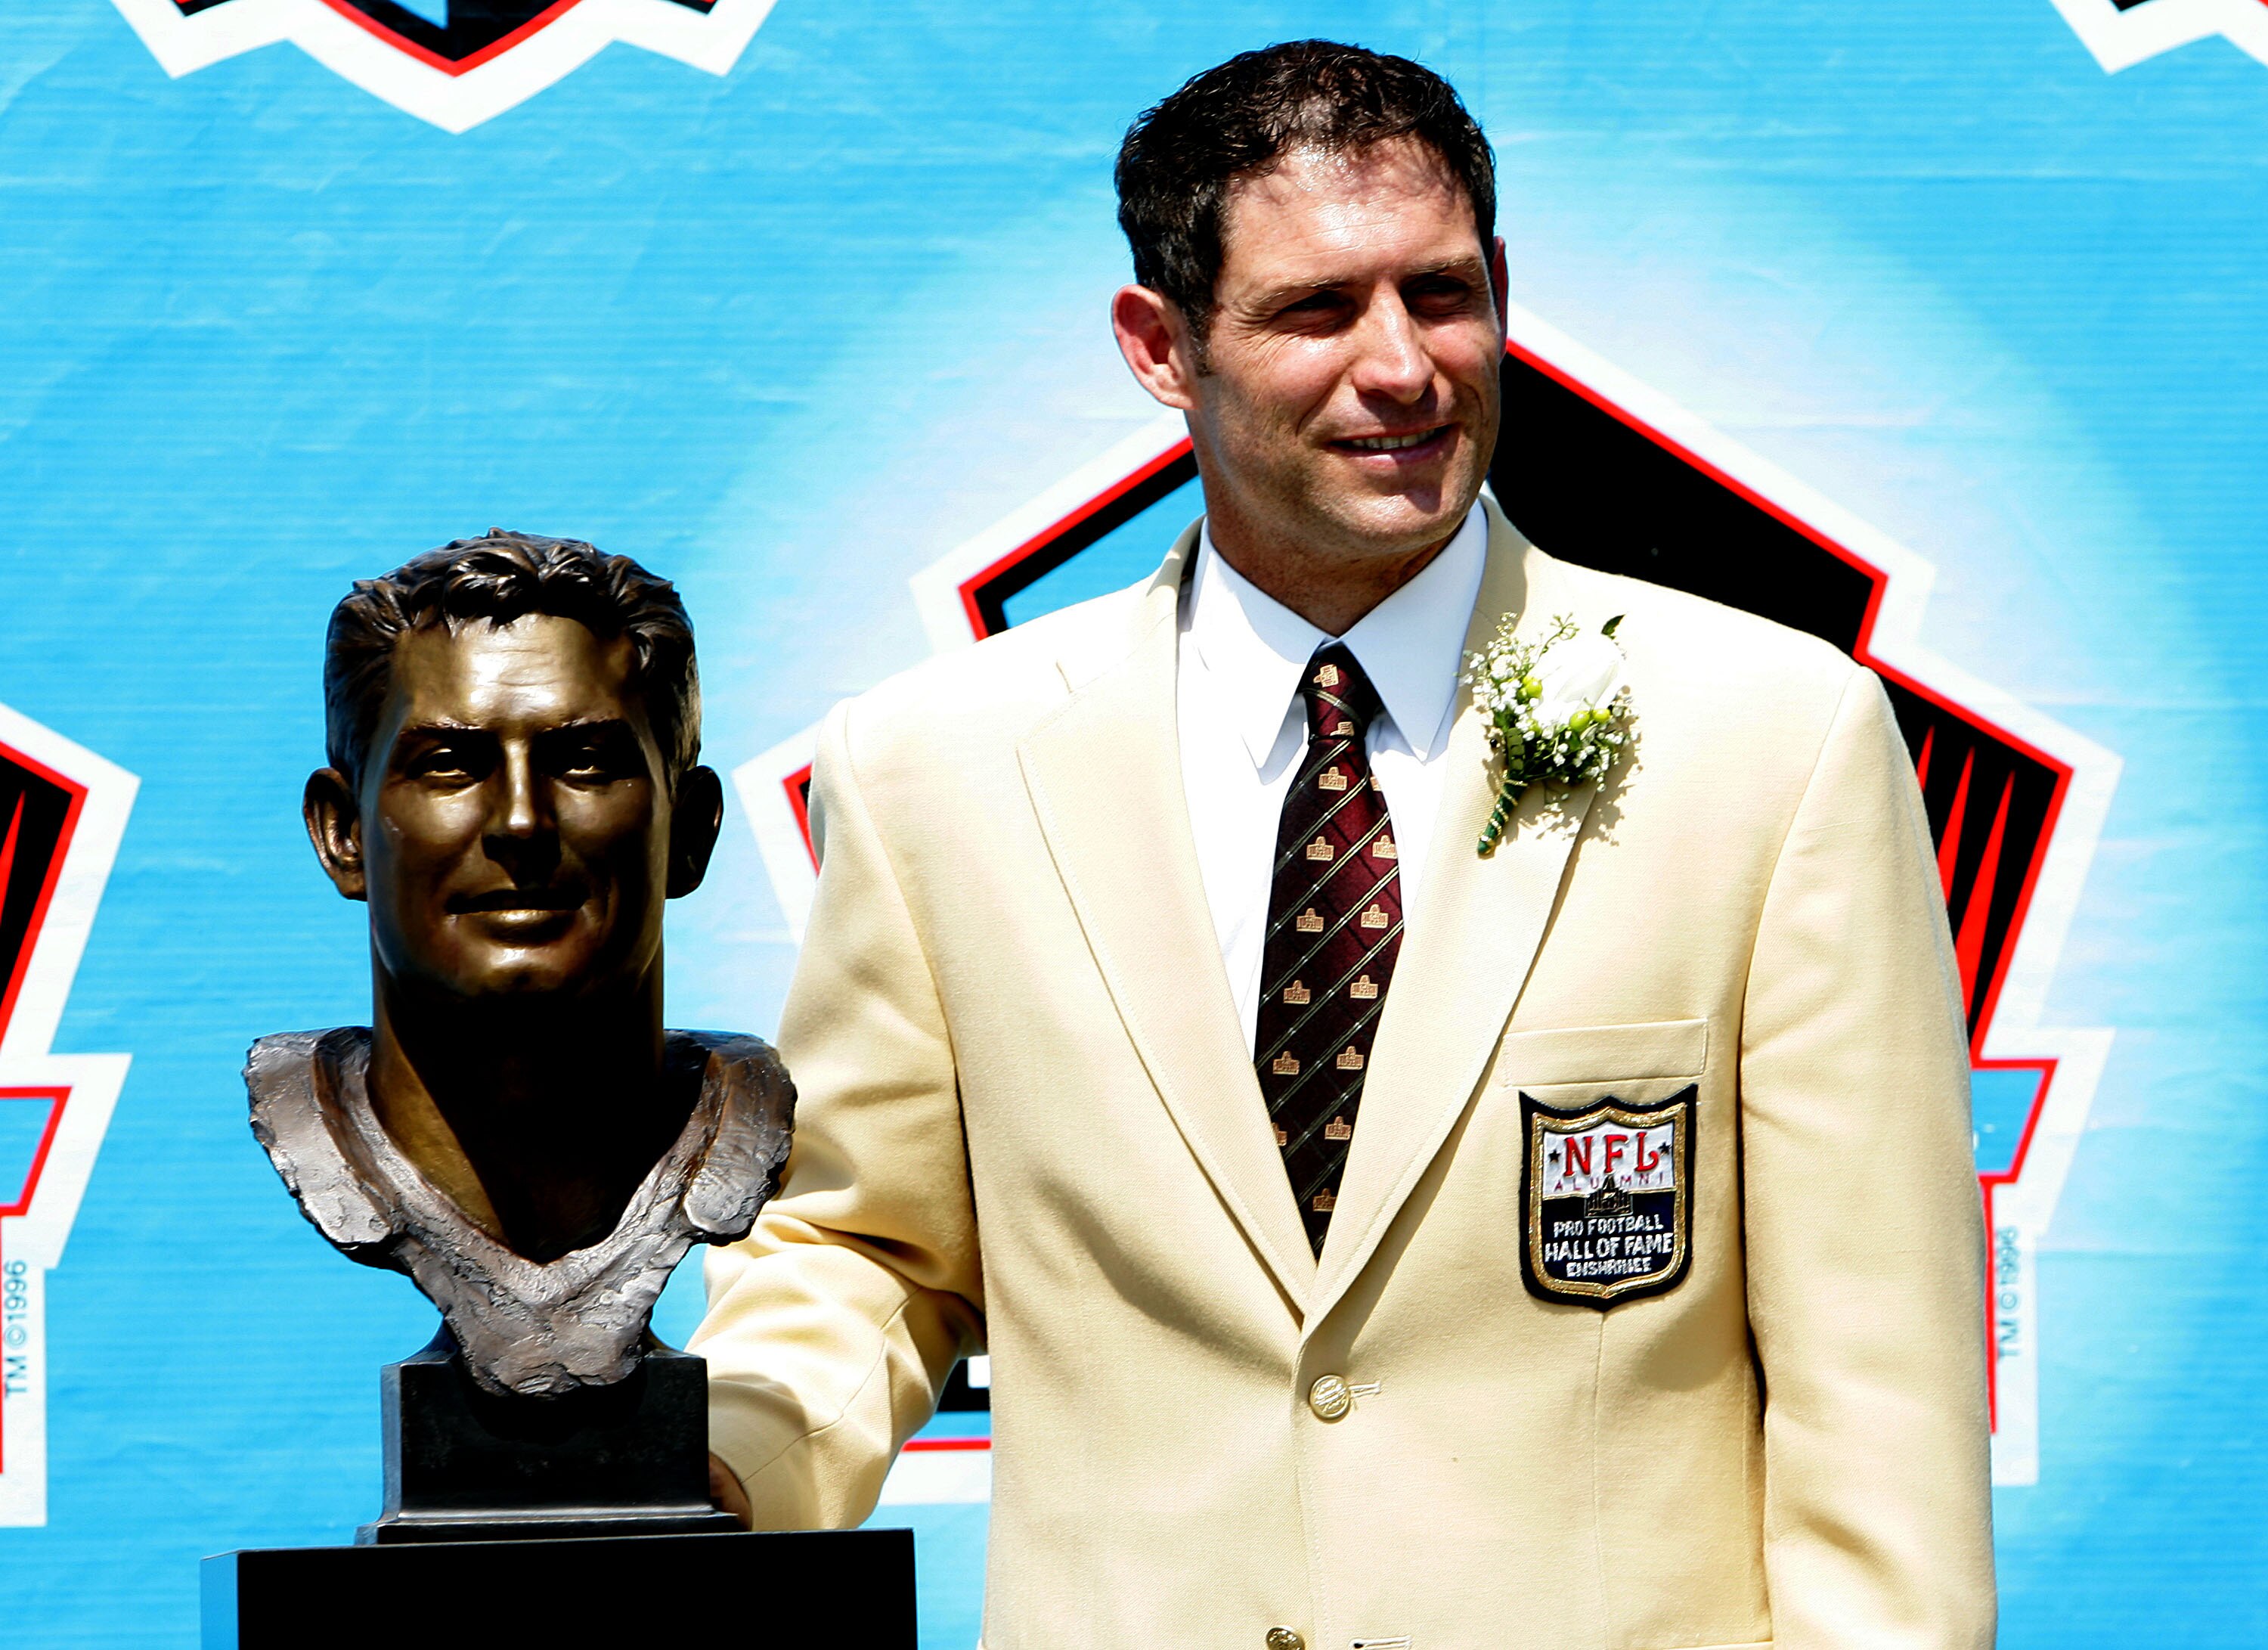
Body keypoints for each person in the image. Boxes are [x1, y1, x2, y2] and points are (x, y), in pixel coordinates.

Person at [696, 41, 1993, 1650]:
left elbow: (1882, 1372)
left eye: (1441, 295)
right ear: (1161, 347)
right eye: (1318, 310)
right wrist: (709, 1490)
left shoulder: (1775, 739)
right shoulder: (934, 768)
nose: (1403, 367)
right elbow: (867, 1247)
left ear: (1502, 286)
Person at [268, 531, 789, 1402]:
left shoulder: (742, 1123)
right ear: (343, 833)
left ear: (689, 832)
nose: (520, 822)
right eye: (450, 765)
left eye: (584, 760)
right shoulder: (306, 1120)